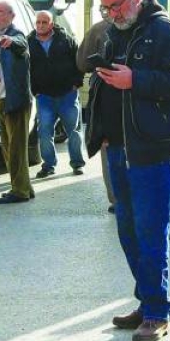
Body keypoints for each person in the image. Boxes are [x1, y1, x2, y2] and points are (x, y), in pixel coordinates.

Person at [86, 0, 170, 341]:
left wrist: (137, 80)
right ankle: (147, 298)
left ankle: (157, 312)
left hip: (149, 148)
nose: (112, 13)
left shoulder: (163, 30)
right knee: (128, 232)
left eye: (117, 4)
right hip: (117, 148)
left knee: (151, 233)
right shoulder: (115, 31)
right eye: (106, 7)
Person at [28, 11, 84, 178]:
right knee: (44, 132)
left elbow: (79, 61)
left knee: (73, 131)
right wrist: (35, 90)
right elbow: (27, 68)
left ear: (51, 24)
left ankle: (77, 164)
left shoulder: (65, 39)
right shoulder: (29, 42)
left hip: (67, 93)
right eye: (38, 22)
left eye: (44, 22)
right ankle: (49, 165)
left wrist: (77, 83)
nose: (40, 25)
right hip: (44, 96)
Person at [0, 0, 34, 204]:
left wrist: (11, 41)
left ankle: (20, 191)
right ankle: (24, 186)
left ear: (11, 16)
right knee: (9, 148)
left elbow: (21, 44)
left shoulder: (16, 35)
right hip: (2, 100)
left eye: (1, 12)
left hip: (14, 100)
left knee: (16, 149)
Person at [77, 17, 117, 213]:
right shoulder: (151, 25)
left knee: (107, 144)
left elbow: (82, 62)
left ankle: (116, 199)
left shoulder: (99, 28)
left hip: (104, 91)